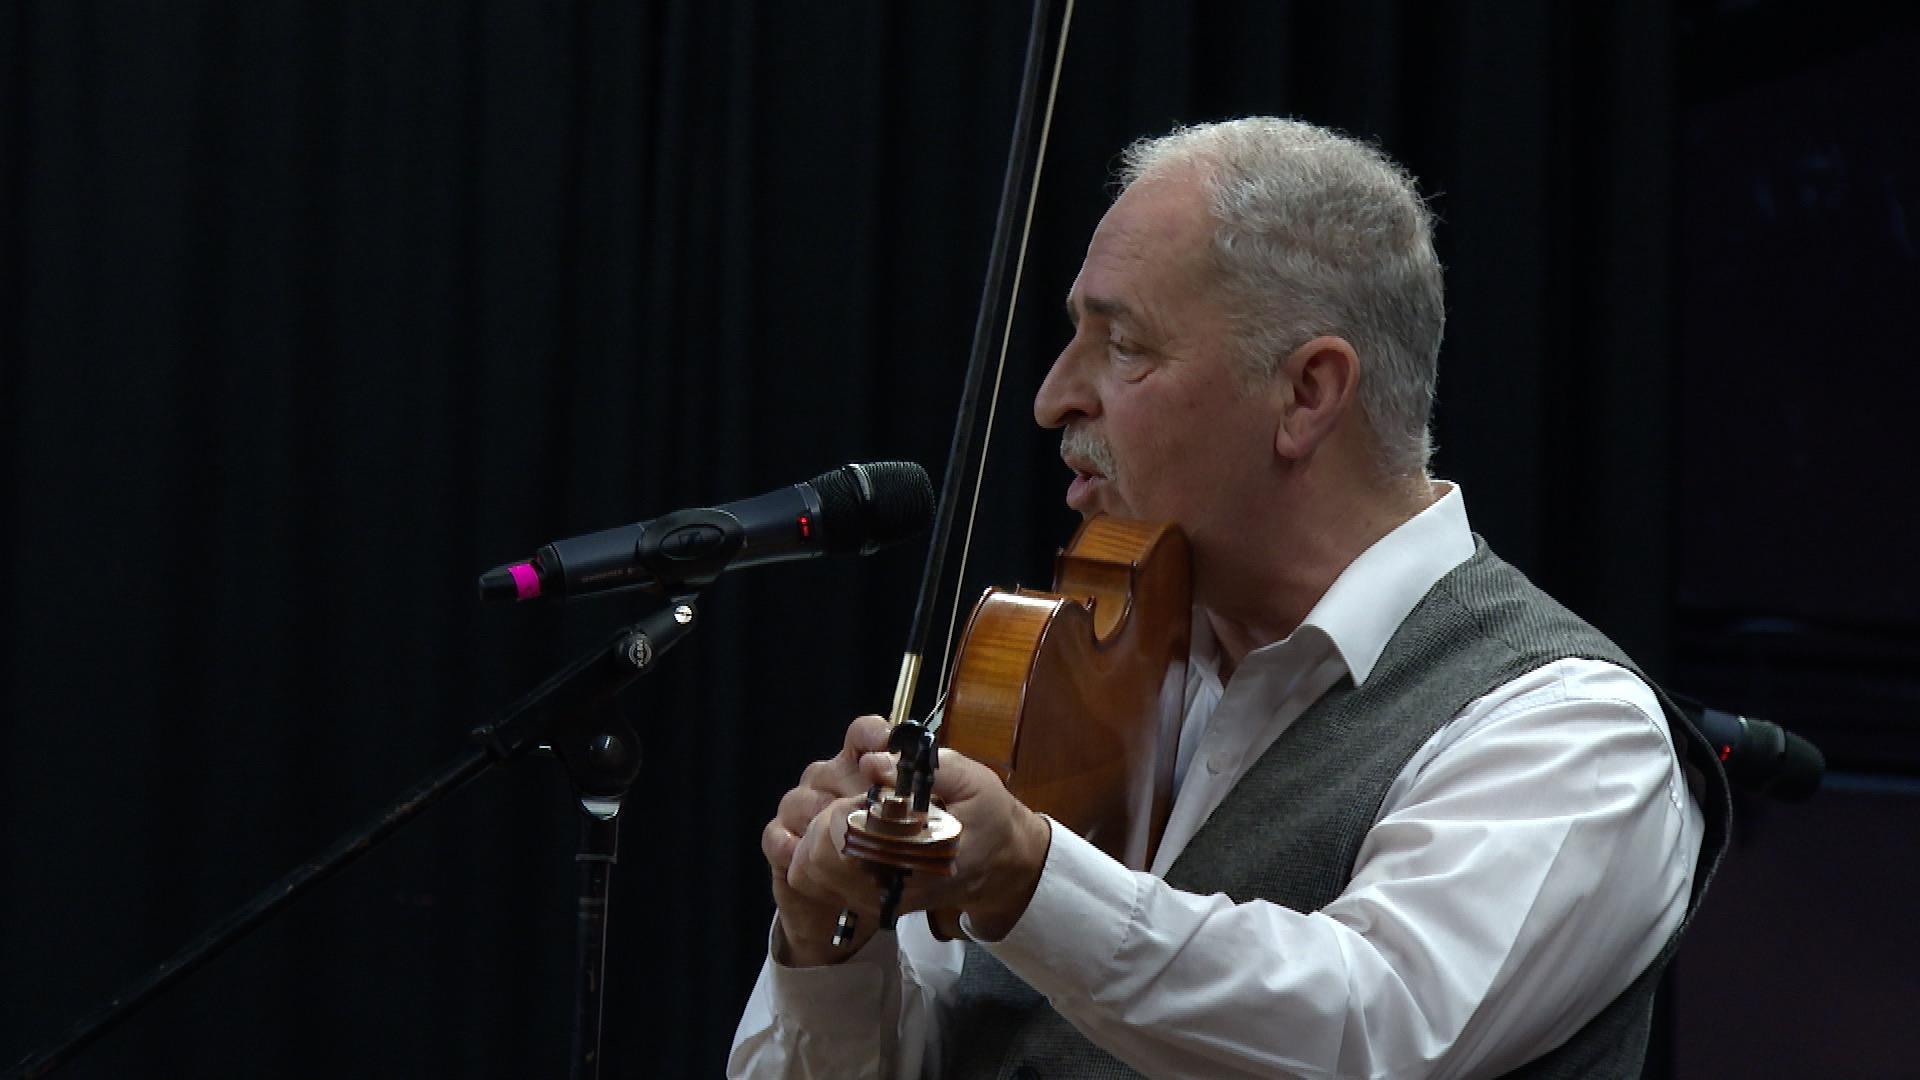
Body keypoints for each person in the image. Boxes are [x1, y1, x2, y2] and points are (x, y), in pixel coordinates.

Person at [728, 116, 1728, 1079]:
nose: (1054, 396)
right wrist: (832, 946)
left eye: (1123, 346)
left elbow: (1373, 1035)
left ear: (1307, 394)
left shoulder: (1571, 729)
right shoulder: (1060, 683)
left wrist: (1032, 879)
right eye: (1076, 337)